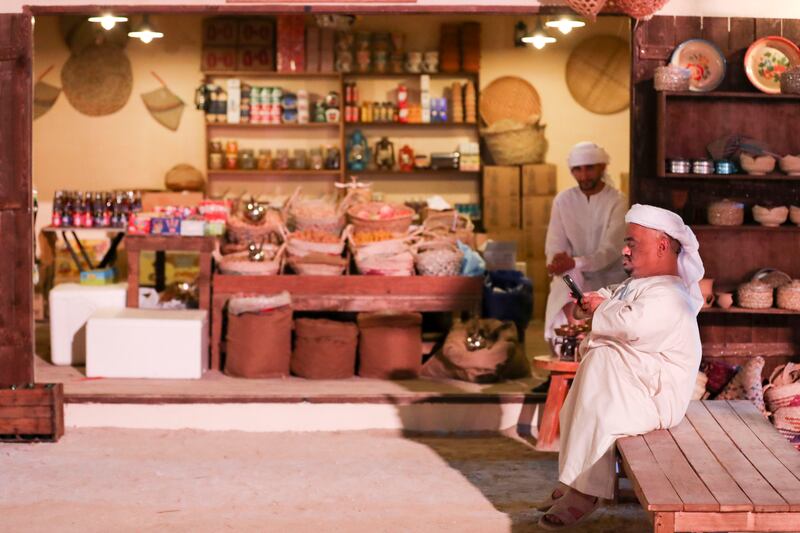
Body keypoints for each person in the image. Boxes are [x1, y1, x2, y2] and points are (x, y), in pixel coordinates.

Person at [537, 204, 704, 530]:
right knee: (592, 375)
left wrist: (602, 308)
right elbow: (609, 297)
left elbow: (631, 325)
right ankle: (575, 479)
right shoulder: (638, 285)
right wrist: (590, 305)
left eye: (633, 243)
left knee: (602, 364)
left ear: (661, 246)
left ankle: (587, 491)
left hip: (656, 399)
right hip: (633, 389)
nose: (624, 250)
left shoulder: (671, 295)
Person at [543, 142, 628, 344]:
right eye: (577, 170)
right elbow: (555, 243)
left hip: (608, 277)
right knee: (563, 288)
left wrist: (576, 262)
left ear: (602, 167)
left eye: (589, 168)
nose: (583, 175)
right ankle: (564, 349)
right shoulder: (563, 201)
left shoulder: (618, 201)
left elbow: (609, 251)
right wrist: (557, 262)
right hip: (573, 276)